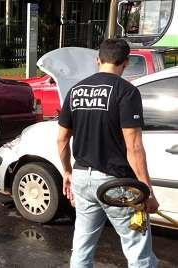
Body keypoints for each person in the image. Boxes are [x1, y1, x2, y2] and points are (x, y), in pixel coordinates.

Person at [57, 39, 159, 268]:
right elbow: (133, 147)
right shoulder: (126, 92)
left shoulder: (75, 91)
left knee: (82, 247)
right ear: (126, 63)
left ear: (98, 61)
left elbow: (62, 139)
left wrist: (66, 171)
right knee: (138, 250)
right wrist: (147, 192)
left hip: (82, 179)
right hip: (116, 183)